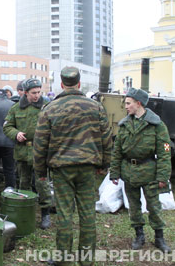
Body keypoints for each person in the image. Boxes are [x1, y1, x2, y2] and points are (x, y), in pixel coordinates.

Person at [34, 66, 112, 265]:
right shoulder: (95, 106)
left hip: (62, 171)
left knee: (65, 216)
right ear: (78, 83)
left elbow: (40, 143)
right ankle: (86, 261)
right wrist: (105, 164)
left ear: (62, 84)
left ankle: (64, 260)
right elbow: (107, 139)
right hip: (88, 169)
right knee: (88, 216)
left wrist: (41, 172)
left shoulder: (50, 108)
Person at [110, 88, 172, 252]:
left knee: (154, 206)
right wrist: (115, 172)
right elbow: (117, 151)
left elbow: (165, 154)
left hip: (149, 172)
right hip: (129, 172)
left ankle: (159, 238)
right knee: (134, 206)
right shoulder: (124, 125)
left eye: (128, 103)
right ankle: (139, 235)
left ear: (139, 104)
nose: (126, 107)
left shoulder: (157, 125)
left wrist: (162, 177)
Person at [3, 78, 52, 229]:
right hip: (23, 151)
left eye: (39, 92)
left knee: (42, 183)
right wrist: (16, 133)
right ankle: (25, 211)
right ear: (25, 93)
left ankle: (46, 213)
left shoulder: (46, 107)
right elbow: (7, 126)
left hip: (40, 152)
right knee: (23, 183)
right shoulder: (16, 108)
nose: (37, 95)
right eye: (33, 93)